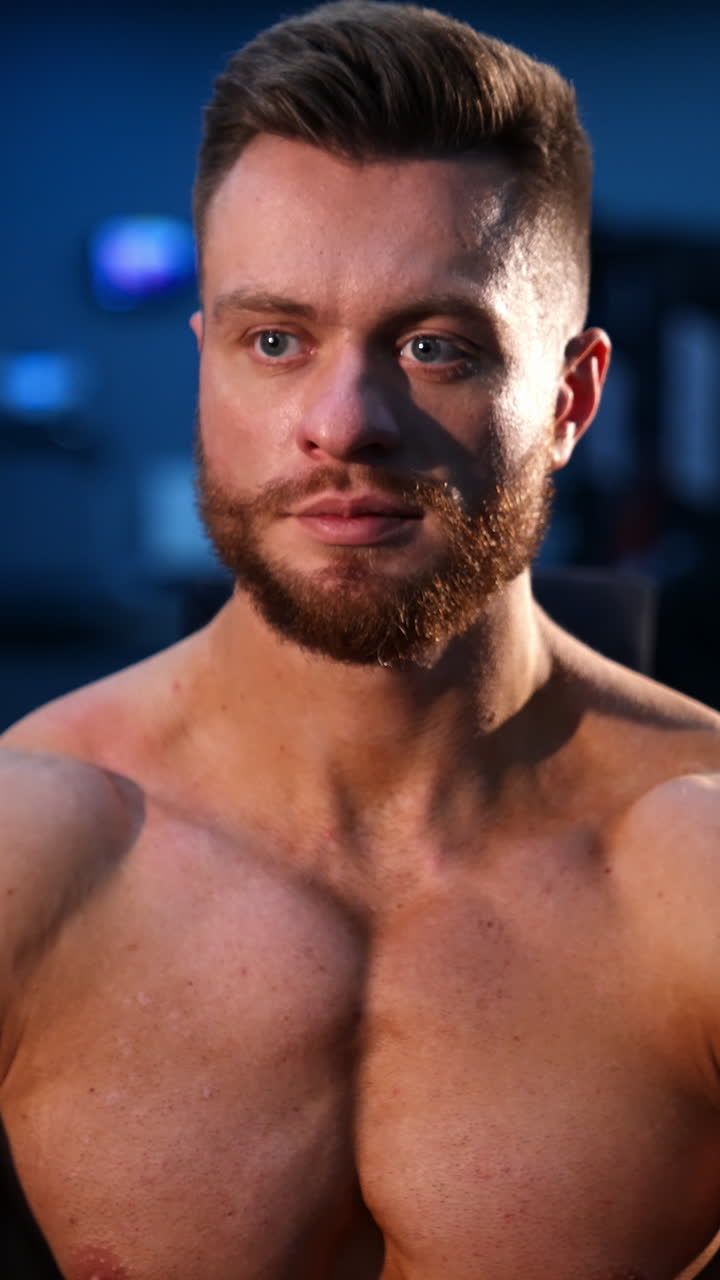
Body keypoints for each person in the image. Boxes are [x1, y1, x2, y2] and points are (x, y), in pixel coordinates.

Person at [2, 3, 720, 1277]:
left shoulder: (697, 864)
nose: (343, 421)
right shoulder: (34, 845)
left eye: (435, 347)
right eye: (275, 341)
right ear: (207, 364)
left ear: (570, 398)